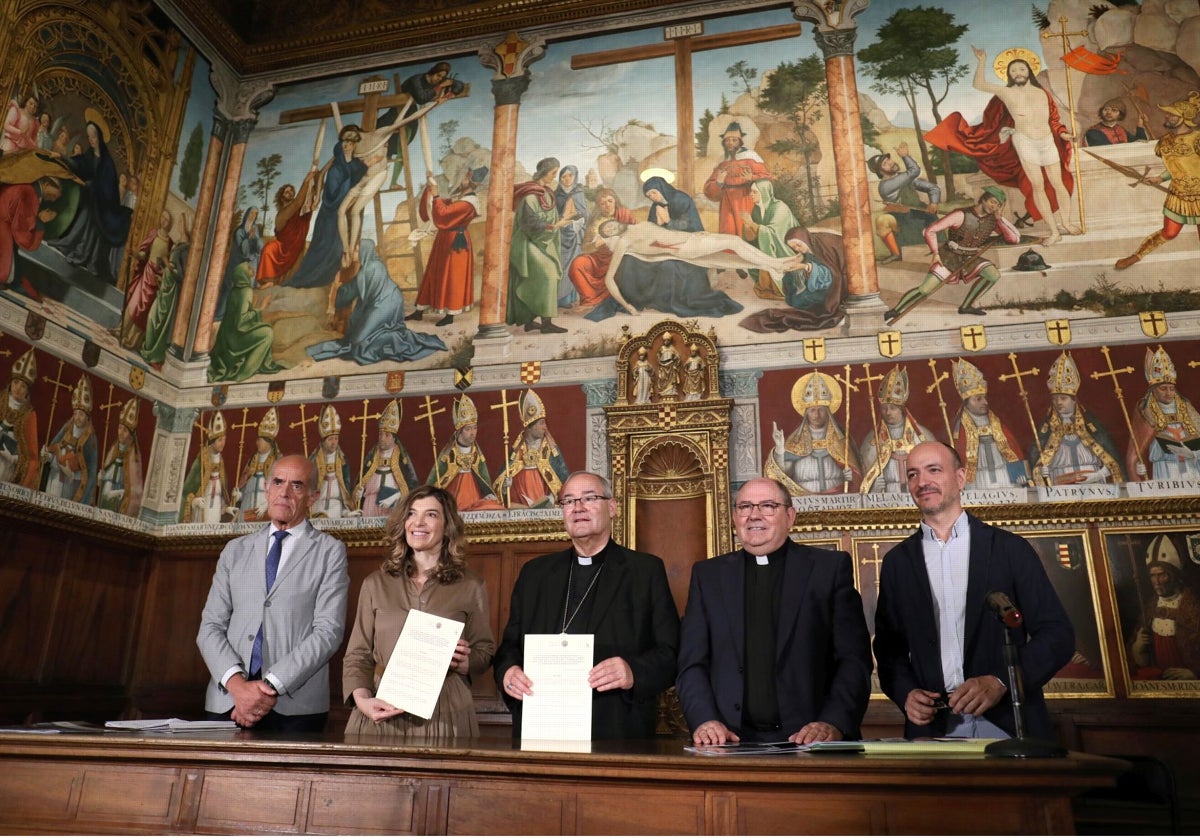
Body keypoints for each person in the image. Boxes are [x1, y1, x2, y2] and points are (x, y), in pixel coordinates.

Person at [873, 441, 1075, 739]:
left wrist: (1001, 682)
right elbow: (889, 649)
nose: (922, 482)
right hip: (932, 732)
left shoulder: (1009, 549)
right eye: (913, 474)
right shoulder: (897, 562)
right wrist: (906, 693)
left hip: (1010, 724)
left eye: (934, 470)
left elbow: (1058, 635)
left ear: (960, 477)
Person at [677, 477, 872, 746]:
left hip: (809, 741)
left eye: (768, 506)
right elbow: (691, 663)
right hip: (729, 741)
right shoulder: (708, 576)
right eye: (744, 507)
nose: (754, 515)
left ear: (790, 516)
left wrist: (833, 722)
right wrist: (704, 719)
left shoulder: (828, 569)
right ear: (734, 517)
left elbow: (853, 660)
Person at [495, 470, 679, 740]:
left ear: (612, 507)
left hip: (616, 728)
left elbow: (671, 652)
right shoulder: (535, 574)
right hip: (541, 726)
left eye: (589, 498)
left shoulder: (644, 571)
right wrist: (508, 672)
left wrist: (633, 671)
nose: (577, 508)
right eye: (568, 501)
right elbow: (509, 648)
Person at [197, 453, 350, 732]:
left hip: (295, 708)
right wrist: (238, 687)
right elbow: (209, 627)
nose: (285, 492)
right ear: (266, 489)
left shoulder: (330, 552)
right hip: (227, 702)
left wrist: (268, 688)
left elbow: (328, 632)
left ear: (313, 496)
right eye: (278, 482)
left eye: (297, 485)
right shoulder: (235, 551)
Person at [344, 485, 495, 737]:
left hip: (446, 713)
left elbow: (485, 652)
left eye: (431, 515)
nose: (418, 522)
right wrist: (362, 700)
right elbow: (357, 654)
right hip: (381, 710)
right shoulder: (375, 583)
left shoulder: (471, 585)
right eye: (412, 514)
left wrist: (466, 661)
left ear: (448, 527)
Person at [926, 47, 1077, 244]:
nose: (1018, 73)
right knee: (1038, 186)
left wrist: (1064, 134)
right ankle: (1053, 231)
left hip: (1047, 141)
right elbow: (979, 84)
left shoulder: (1043, 94)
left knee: (1058, 183)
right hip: (1024, 141)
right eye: (1013, 71)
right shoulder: (1006, 92)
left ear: (1029, 71)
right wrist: (982, 60)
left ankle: (1066, 222)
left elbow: (1054, 120)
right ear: (1009, 75)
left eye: (1021, 69)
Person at [585, 176, 742, 322]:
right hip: (664, 249)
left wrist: (668, 221)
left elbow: (691, 227)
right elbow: (652, 233)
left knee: (671, 266)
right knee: (648, 264)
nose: (652, 197)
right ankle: (655, 298)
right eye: (649, 196)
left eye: (653, 192)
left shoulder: (681, 199)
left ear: (662, 187)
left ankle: (678, 299)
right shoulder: (654, 208)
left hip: (689, 244)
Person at [596, 218, 806, 315]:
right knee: (734, 242)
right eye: (608, 230)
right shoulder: (623, 242)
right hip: (686, 249)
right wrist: (627, 306)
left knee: (731, 260)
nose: (612, 227)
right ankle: (778, 264)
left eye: (610, 223)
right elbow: (609, 279)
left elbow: (669, 234)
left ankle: (775, 267)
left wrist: (695, 235)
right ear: (610, 236)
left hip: (690, 241)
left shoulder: (638, 226)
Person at [883, 186, 1020, 324]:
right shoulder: (960, 215)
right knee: (925, 290)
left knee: (993, 275)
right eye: (992, 202)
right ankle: (895, 310)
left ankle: (966, 306)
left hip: (971, 258)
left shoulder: (993, 220)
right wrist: (936, 254)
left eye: (998, 205)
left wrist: (1000, 220)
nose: (994, 207)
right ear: (983, 199)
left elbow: (1013, 239)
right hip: (949, 257)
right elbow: (929, 231)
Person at [305, 239, 446, 365]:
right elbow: (355, 287)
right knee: (362, 336)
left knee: (358, 343)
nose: (354, 252)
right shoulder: (367, 267)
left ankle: (392, 340)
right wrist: (340, 289)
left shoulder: (372, 267)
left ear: (365, 251)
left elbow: (354, 289)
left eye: (357, 250)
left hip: (386, 304)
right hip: (384, 302)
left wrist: (338, 290)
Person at [1115, 91, 1200, 270]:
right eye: (1167, 113)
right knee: (1168, 233)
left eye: (1171, 114)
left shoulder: (1197, 139)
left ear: (1184, 118)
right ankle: (1135, 257)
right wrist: (1160, 178)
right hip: (1178, 195)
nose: (1167, 116)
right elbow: (1174, 167)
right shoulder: (1164, 141)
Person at [44, 120, 132, 283]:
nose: (91, 140)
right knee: (79, 218)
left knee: (87, 223)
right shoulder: (90, 155)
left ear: (99, 137)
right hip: (89, 200)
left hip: (101, 208)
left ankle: (82, 255)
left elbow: (108, 189)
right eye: (89, 137)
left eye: (94, 136)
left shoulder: (107, 163)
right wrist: (62, 157)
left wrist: (91, 185)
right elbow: (78, 164)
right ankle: (74, 249)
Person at [285, 124, 367, 290]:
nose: (346, 144)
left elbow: (359, 182)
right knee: (320, 243)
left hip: (341, 210)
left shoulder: (358, 164)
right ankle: (305, 278)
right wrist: (316, 195)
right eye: (344, 140)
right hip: (327, 207)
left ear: (355, 143)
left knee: (334, 246)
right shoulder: (336, 158)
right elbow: (321, 174)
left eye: (350, 141)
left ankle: (325, 279)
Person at [407, 166, 487, 326]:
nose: (462, 179)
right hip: (445, 240)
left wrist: (435, 195)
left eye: (466, 177)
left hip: (456, 243)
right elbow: (444, 206)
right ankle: (419, 311)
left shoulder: (468, 203)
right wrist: (432, 188)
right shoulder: (462, 198)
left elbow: (444, 214)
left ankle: (450, 315)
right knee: (434, 273)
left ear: (471, 182)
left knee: (452, 278)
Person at [1029, 351, 1124, 486]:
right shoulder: (1047, 430)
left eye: (1063, 398)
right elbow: (1037, 464)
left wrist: (1098, 475)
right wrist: (1042, 471)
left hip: (1094, 484)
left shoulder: (1091, 426)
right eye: (1055, 399)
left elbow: (1112, 461)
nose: (1059, 403)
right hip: (1061, 487)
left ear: (1074, 401)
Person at [765, 371, 861, 496]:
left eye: (821, 410)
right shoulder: (796, 442)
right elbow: (781, 478)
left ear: (828, 412)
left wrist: (851, 477)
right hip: (804, 501)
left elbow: (856, 478)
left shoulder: (841, 441)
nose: (816, 415)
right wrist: (779, 449)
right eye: (812, 410)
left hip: (837, 501)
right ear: (806, 413)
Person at [507, 156, 569, 334]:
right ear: (544, 173)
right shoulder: (530, 195)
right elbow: (530, 225)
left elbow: (549, 217)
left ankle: (530, 321)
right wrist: (555, 226)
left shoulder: (546, 193)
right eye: (553, 173)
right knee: (548, 274)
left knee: (544, 277)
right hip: (526, 243)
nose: (554, 177)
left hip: (542, 242)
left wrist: (561, 221)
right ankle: (546, 324)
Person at [950, 357, 1030, 490]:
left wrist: (1020, 474)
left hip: (1003, 475)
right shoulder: (961, 429)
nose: (985, 403)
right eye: (978, 399)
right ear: (967, 403)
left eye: (984, 398)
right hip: (977, 479)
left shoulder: (997, 424)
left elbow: (1012, 450)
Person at [1128, 534, 1200, 681]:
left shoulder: (1194, 606)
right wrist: (1137, 648)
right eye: (1153, 576)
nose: (1157, 582)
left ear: (1174, 576)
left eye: (1162, 575)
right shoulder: (1149, 608)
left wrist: (1195, 673)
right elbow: (1139, 660)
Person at [859, 365, 939, 494]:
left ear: (901, 409)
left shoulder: (922, 435)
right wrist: (874, 487)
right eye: (884, 408)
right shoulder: (872, 440)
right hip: (887, 496)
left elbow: (935, 469)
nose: (888, 412)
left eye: (893, 408)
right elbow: (865, 475)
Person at [1126, 345, 1200, 481]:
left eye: (1172, 389)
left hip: (1192, 468)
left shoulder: (1188, 410)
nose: (1169, 393)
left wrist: (1193, 454)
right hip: (1165, 469)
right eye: (1163, 388)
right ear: (1153, 390)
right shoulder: (1146, 412)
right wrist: (1138, 465)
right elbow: (1139, 450)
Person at [207, 257, 286, 383]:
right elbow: (242, 320)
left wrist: (253, 307)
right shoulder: (246, 291)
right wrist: (262, 307)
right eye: (248, 268)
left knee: (264, 328)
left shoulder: (235, 291)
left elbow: (239, 315)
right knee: (267, 333)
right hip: (236, 338)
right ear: (243, 273)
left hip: (228, 337)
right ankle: (246, 370)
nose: (251, 269)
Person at [491, 389, 568, 508]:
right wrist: (505, 488)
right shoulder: (516, 451)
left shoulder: (551, 451)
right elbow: (499, 484)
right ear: (529, 428)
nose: (545, 427)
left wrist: (551, 499)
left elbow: (563, 481)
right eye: (541, 423)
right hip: (520, 509)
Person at [428, 394, 504, 511]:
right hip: (454, 500)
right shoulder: (448, 455)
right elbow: (435, 481)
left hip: (475, 499)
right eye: (468, 429)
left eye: (475, 428)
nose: (473, 433)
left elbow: (485, 482)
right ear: (459, 432)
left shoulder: (477, 454)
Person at [867, 142, 940, 263]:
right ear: (881, 172)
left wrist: (934, 203)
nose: (890, 162)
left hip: (919, 214)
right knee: (882, 221)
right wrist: (905, 156)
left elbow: (933, 188)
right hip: (903, 219)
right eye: (885, 164)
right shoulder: (886, 186)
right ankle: (896, 253)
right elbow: (914, 170)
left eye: (888, 159)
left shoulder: (904, 178)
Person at [567, 187, 637, 308]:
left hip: (619, 256)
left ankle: (616, 299)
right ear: (598, 206)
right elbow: (585, 247)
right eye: (602, 203)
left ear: (615, 201)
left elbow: (637, 234)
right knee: (577, 264)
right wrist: (595, 245)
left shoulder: (625, 214)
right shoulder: (594, 221)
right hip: (598, 258)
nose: (607, 205)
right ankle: (590, 300)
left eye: (610, 201)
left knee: (625, 265)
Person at [702, 121, 771, 238]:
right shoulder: (722, 161)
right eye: (727, 140)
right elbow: (708, 190)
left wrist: (751, 178)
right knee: (728, 234)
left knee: (746, 233)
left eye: (734, 140)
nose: (730, 143)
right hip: (726, 203)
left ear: (740, 141)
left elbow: (766, 178)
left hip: (746, 199)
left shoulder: (751, 156)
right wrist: (719, 182)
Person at [116, 208, 172, 350]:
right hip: (146, 273)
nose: (163, 221)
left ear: (170, 224)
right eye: (162, 218)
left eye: (166, 220)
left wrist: (163, 272)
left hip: (155, 278)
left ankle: (131, 340)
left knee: (144, 311)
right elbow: (143, 253)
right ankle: (120, 330)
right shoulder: (154, 233)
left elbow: (167, 263)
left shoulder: (170, 242)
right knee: (134, 302)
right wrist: (135, 254)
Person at [353, 399, 419, 517]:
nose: (382, 438)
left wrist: (395, 496)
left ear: (394, 438)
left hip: (392, 505)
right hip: (370, 503)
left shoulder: (401, 458)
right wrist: (358, 492)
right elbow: (361, 481)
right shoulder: (372, 457)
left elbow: (410, 487)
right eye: (380, 434)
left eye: (387, 435)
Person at [140, 214, 189, 367]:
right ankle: (149, 350)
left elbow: (181, 274)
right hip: (164, 286)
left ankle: (155, 354)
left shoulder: (186, 246)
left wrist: (168, 265)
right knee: (152, 318)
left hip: (171, 291)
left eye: (182, 222)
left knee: (158, 321)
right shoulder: (179, 243)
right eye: (180, 221)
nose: (180, 224)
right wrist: (163, 268)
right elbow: (167, 262)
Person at [40, 374, 97, 505]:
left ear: (87, 417)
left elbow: (89, 472)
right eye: (75, 413)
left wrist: (71, 475)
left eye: (81, 414)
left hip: (70, 488)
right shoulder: (66, 429)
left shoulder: (90, 439)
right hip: (53, 480)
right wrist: (46, 456)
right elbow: (53, 449)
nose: (77, 417)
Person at [255, 172, 318, 287]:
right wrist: (306, 181)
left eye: (291, 191)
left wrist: (311, 207)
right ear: (281, 197)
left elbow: (303, 218)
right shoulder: (282, 213)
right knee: (269, 249)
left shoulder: (296, 211)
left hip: (294, 246)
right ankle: (269, 280)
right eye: (287, 192)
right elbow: (298, 202)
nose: (290, 193)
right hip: (282, 247)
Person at [0, 175, 61, 287]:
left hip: (4, 223)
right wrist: (40, 221)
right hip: (3, 227)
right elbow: (22, 234)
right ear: (47, 184)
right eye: (57, 192)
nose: (55, 198)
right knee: (8, 276)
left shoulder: (28, 187)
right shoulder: (30, 193)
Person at [181, 411, 231, 524]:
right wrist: (194, 501)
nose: (223, 443)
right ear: (212, 442)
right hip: (202, 508)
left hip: (216, 507)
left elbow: (221, 490)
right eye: (219, 440)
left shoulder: (221, 461)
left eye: (224, 440)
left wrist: (226, 507)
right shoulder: (201, 460)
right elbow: (188, 490)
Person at [0, 348, 40, 488]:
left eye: (23, 386)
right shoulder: (0, 400)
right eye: (16, 382)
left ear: (27, 391)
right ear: (11, 382)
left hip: (7, 469)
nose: (18, 388)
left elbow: (31, 457)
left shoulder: (29, 416)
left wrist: (11, 458)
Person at [214, 207, 262, 321]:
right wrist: (248, 238)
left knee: (245, 291)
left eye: (255, 215)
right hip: (237, 262)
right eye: (251, 214)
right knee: (230, 288)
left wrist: (255, 239)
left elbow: (259, 248)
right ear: (247, 214)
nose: (252, 216)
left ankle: (238, 317)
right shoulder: (240, 231)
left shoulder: (254, 228)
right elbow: (243, 251)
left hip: (248, 262)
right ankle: (219, 315)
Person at [233, 407, 281, 522]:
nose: (257, 442)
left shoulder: (278, 463)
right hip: (247, 511)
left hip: (265, 514)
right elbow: (245, 488)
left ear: (268, 442)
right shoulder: (251, 462)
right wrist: (239, 495)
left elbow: (283, 491)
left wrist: (268, 505)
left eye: (260, 439)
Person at [96, 398, 143, 516]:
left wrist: (122, 493)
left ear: (131, 435)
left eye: (125, 430)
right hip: (105, 500)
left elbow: (134, 490)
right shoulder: (113, 450)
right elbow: (107, 472)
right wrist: (100, 478)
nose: (120, 433)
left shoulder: (133, 458)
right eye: (119, 428)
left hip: (120, 504)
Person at [309, 404, 357, 518]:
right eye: (330, 439)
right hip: (317, 507)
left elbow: (345, 489)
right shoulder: (314, 460)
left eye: (336, 438)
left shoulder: (342, 461)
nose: (334, 442)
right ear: (324, 441)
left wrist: (347, 512)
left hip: (336, 507)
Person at [555, 165, 587, 307]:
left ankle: (568, 299)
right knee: (559, 266)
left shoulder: (579, 194)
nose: (567, 179)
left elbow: (584, 214)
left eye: (570, 175)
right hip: (559, 236)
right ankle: (557, 298)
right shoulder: (557, 195)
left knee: (572, 266)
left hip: (574, 236)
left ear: (575, 177)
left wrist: (575, 222)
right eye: (563, 176)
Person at [1083, 98, 1149, 147]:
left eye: (1114, 110)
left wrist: (1140, 124)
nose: (1109, 112)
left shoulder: (1121, 129)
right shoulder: (1094, 132)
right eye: (1106, 109)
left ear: (1120, 114)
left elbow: (1140, 144)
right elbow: (1107, 151)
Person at [654, 331, 681, 399]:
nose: (666, 341)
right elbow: (658, 356)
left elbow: (678, 356)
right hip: (663, 366)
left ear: (670, 341)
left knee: (671, 379)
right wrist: (659, 360)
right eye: (665, 340)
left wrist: (675, 360)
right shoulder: (662, 348)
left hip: (671, 365)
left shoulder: (672, 348)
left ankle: (671, 391)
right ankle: (663, 391)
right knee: (663, 378)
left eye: (667, 340)